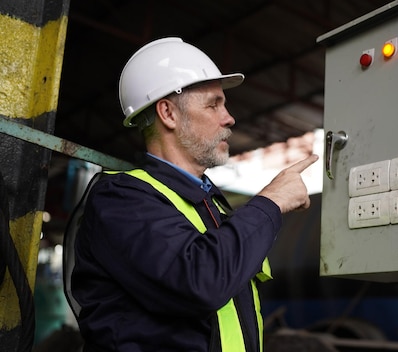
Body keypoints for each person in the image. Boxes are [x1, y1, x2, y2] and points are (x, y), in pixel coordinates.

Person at [68, 37, 318, 352]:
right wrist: (272, 201)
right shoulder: (121, 198)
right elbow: (200, 281)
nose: (229, 118)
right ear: (168, 113)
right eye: (214, 104)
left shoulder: (209, 203)